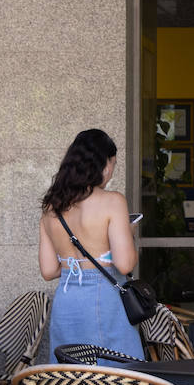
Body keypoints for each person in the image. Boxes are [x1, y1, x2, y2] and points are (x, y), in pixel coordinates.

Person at [38, 129, 145, 362]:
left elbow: (49, 271)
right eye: (113, 164)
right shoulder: (112, 201)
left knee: (72, 378)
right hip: (104, 300)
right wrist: (128, 231)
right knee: (115, 379)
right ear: (104, 165)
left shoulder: (51, 207)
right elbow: (124, 264)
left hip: (67, 300)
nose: (111, 172)